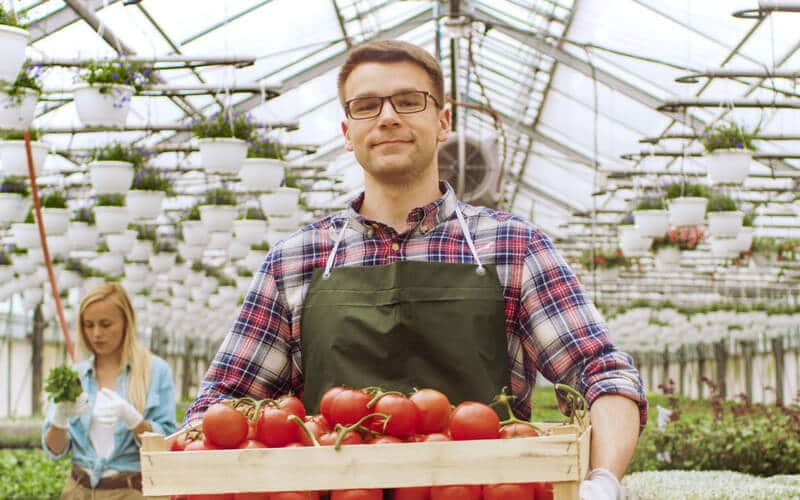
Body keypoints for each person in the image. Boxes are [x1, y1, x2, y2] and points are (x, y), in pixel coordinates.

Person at [186, 40, 646, 500]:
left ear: (442, 122)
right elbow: (223, 400)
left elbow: (601, 373)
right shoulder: (296, 259)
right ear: (347, 133)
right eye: (367, 106)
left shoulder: (513, 246)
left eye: (409, 102)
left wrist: (603, 480)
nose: (388, 117)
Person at [42, 283, 176, 499]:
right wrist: (59, 417)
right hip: (78, 491)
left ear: (126, 323)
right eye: (89, 325)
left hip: (131, 491)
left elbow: (168, 442)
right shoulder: (75, 376)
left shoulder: (154, 371)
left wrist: (135, 422)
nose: (96, 334)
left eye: (106, 324)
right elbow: (55, 450)